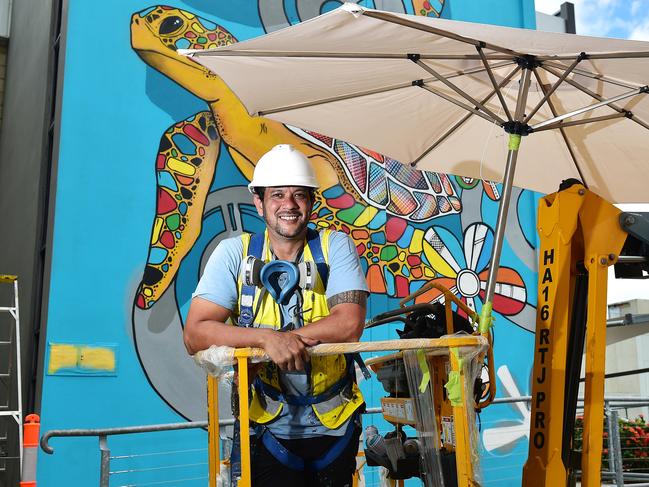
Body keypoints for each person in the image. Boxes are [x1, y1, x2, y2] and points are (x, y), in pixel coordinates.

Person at [184, 144, 369, 486]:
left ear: (312, 201)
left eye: (299, 195)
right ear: (259, 201)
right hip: (265, 428)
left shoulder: (335, 247)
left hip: (335, 426)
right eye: (278, 195)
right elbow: (196, 333)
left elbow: (349, 324)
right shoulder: (234, 254)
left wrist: (289, 340)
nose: (289, 205)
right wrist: (267, 338)